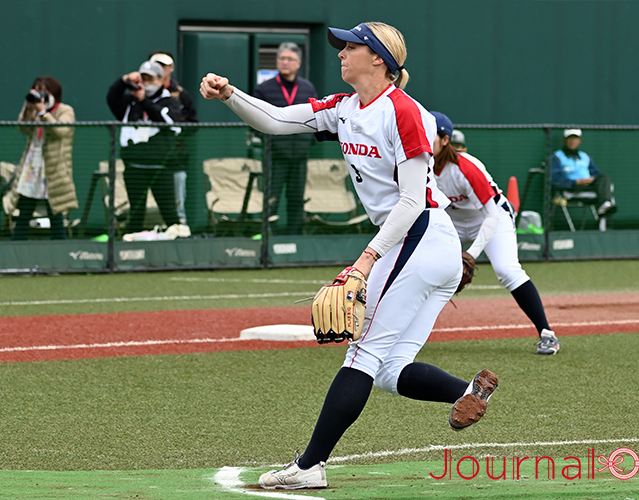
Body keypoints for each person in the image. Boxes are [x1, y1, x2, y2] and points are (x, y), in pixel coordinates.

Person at [201, 21, 498, 490]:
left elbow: (411, 201)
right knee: (388, 370)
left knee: (360, 355)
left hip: (418, 236)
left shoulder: (404, 111)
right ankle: (467, 392)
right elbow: (278, 121)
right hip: (424, 245)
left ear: (378, 58)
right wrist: (230, 95)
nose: (340, 53)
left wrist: (367, 259)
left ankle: (309, 466)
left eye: (350, 46)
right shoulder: (344, 108)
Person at [430, 111, 560, 355]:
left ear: (445, 140)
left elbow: (492, 214)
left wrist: (470, 254)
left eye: (429, 133)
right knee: (424, 268)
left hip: (490, 217)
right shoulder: (419, 165)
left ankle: (547, 334)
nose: (422, 136)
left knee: (507, 269)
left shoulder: (466, 167)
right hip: (453, 222)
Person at [107, 61, 184, 233]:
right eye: (144, 79)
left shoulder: (169, 101)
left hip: (160, 167)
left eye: (151, 79)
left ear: (160, 80)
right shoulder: (130, 101)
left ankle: (179, 249)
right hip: (135, 166)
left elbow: (168, 122)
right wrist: (124, 80)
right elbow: (111, 98)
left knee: (170, 212)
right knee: (135, 213)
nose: (146, 83)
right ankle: (132, 250)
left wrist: (144, 101)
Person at [252, 42, 319, 235]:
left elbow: (316, 117)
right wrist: (270, 141)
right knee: (271, 197)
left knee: (296, 198)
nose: (285, 62)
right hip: (275, 156)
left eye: (290, 59)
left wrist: (307, 143)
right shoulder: (264, 89)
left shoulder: (308, 88)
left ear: (298, 63)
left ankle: (295, 236)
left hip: (300, 154)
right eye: (281, 58)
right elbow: (255, 119)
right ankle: (267, 237)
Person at [6, 76, 77, 240]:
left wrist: (44, 112)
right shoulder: (35, 111)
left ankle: (60, 253)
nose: (40, 95)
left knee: (55, 213)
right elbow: (22, 128)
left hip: (52, 169)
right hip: (32, 167)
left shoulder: (65, 110)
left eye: (43, 91)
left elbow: (61, 131)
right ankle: (16, 249)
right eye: (36, 90)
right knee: (24, 212)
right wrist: (28, 107)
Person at [148, 51, 198, 224]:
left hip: (175, 157)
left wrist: (175, 132)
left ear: (171, 68)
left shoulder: (182, 95)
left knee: (176, 204)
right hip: (148, 157)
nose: (160, 69)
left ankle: (179, 232)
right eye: (156, 65)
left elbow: (193, 123)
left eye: (164, 65)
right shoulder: (141, 94)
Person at [550, 129, 617, 231]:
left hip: (588, 188)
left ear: (579, 140)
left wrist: (591, 179)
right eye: (570, 138)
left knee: (605, 180)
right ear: (564, 140)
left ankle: (604, 215)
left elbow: (596, 174)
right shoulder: (557, 157)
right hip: (570, 191)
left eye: (575, 138)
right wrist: (575, 182)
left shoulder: (585, 157)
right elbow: (554, 179)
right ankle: (605, 229)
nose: (573, 141)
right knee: (607, 198)